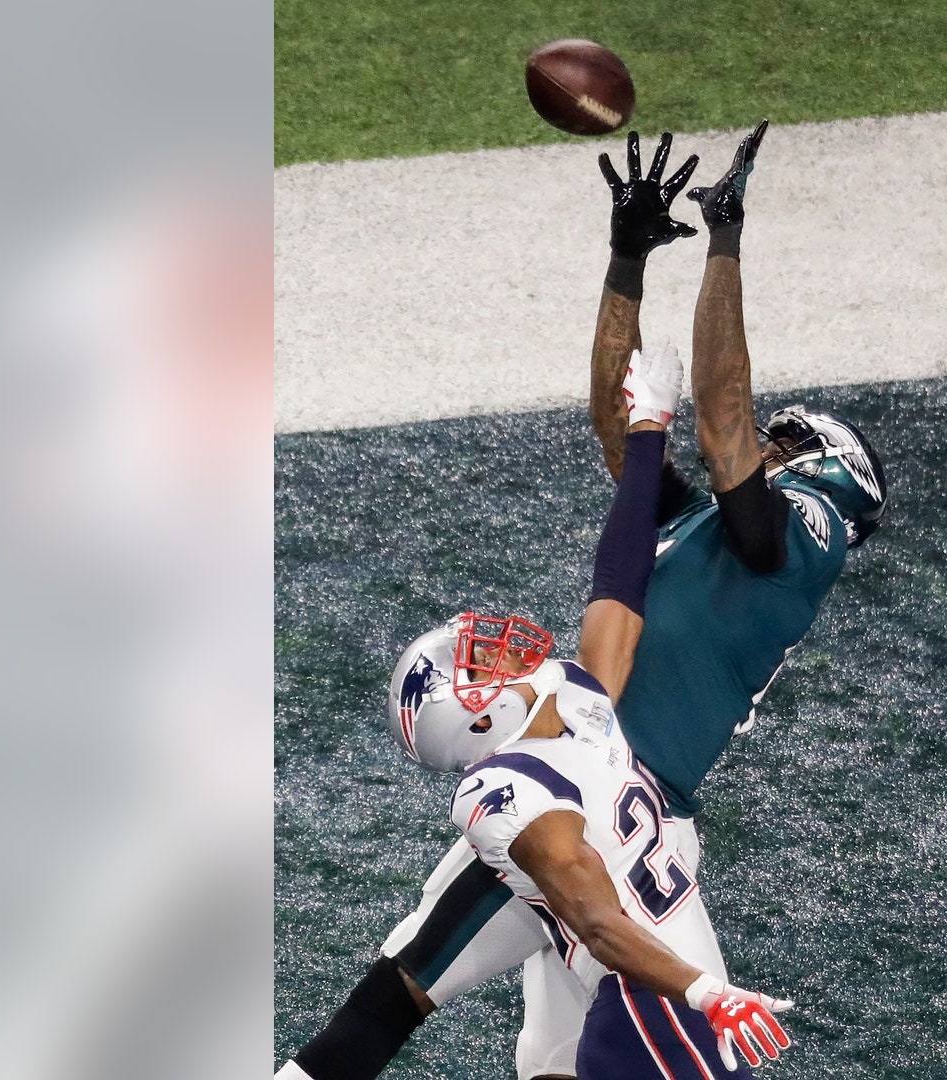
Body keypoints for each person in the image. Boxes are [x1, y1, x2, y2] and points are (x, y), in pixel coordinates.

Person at [279, 121, 889, 1080]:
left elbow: (725, 420)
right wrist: (627, 263)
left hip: (606, 797)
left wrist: (725, 240)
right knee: (491, 1028)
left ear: (820, 466)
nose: (761, 449)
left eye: (781, 445)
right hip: (594, 770)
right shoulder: (720, 538)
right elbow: (621, 435)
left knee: (413, 995)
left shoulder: (798, 540)